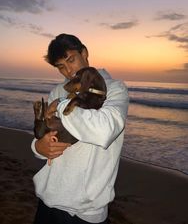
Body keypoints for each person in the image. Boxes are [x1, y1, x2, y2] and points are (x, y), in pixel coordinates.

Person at [31, 34, 129, 224]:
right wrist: (38, 148)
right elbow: (46, 136)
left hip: (85, 212)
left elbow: (105, 131)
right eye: (61, 66)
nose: (68, 71)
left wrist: (61, 104)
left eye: (71, 60)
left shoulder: (115, 89)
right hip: (48, 200)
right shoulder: (58, 90)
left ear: (84, 53)